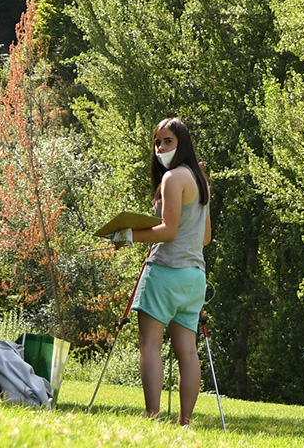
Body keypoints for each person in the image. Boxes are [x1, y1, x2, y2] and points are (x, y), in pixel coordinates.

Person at [108, 117, 211, 425]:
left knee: (150, 346)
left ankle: (152, 417)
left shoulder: (172, 178)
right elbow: (205, 237)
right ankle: (184, 423)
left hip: (166, 271)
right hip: (195, 278)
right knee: (188, 352)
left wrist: (128, 235)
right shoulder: (200, 180)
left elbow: (168, 231)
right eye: (157, 142)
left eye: (168, 141)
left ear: (182, 144)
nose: (160, 148)